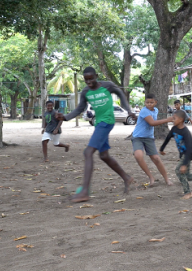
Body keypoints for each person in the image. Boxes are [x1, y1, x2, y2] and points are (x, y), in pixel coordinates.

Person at [56, 67, 136, 202]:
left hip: (107, 121)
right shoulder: (86, 92)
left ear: (96, 76)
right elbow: (79, 109)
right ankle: (127, 178)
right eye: (86, 80)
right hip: (99, 122)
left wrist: (128, 110)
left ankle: (85, 192)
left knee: (88, 152)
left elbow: (120, 93)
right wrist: (65, 117)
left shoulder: (107, 86)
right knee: (104, 155)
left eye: (91, 78)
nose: (89, 82)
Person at [159, 110, 192, 199]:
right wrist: (162, 149)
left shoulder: (185, 132)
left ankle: (188, 192)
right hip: (183, 154)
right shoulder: (174, 129)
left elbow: (189, 149)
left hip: (189, 153)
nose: (172, 120)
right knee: (187, 176)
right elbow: (168, 138)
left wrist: (184, 164)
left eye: (174, 118)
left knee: (178, 170)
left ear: (181, 120)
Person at [131, 94, 175, 187]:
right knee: (138, 156)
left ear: (156, 102)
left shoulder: (156, 110)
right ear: (144, 102)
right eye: (147, 102)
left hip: (149, 137)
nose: (149, 104)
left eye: (151, 102)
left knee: (156, 158)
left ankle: (166, 179)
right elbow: (152, 123)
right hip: (138, 137)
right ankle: (151, 177)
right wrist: (168, 120)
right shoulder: (144, 111)